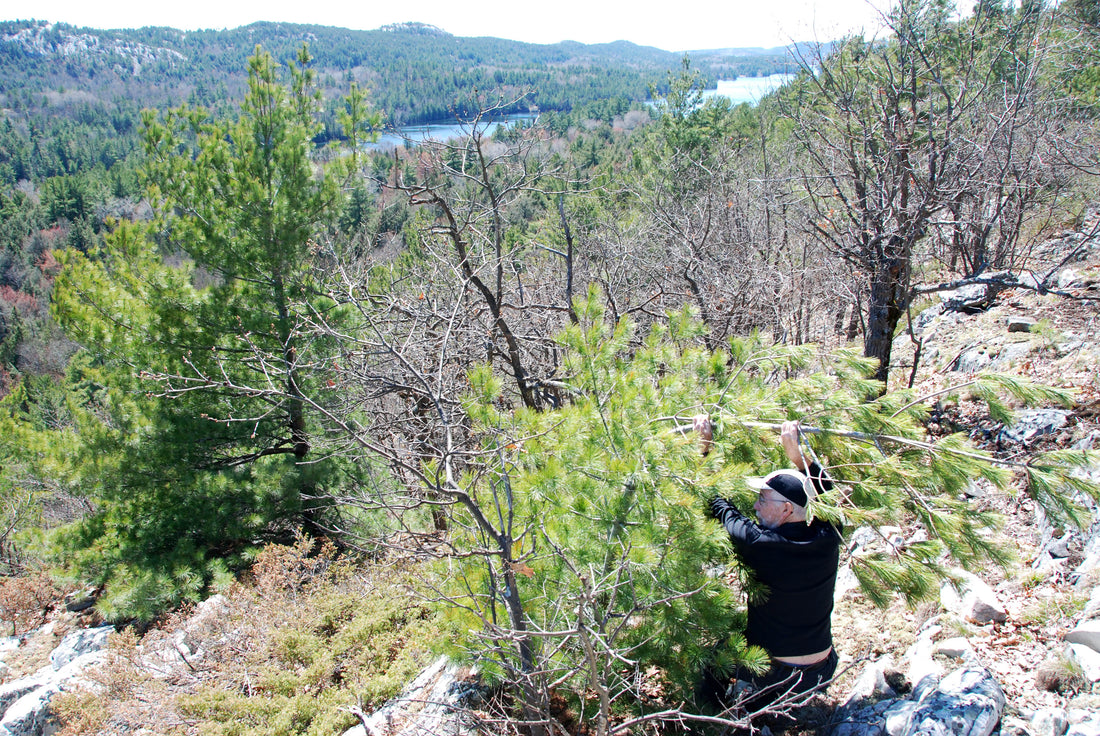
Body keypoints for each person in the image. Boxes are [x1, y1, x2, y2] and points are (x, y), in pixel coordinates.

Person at [696, 418, 841, 712]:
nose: (755, 506)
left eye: (762, 499)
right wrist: (800, 459)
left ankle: (717, 718)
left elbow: (720, 506)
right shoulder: (828, 537)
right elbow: (829, 495)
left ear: (786, 509)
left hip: (776, 676)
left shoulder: (761, 544)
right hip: (822, 669)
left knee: (712, 663)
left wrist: (704, 452)